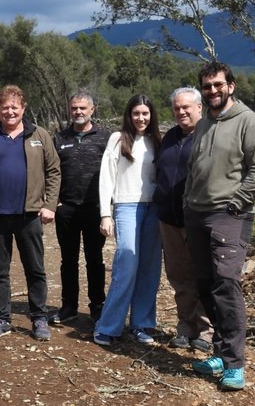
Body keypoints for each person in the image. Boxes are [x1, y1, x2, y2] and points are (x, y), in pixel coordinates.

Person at [184, 62, 255, 391]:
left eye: (218, 85)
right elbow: (194, 168)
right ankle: (220, 353)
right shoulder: (204, 122)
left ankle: (235, 364)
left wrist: (236, 205)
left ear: (231, 86)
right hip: (196, 213)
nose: (213, 91)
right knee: (206, 284)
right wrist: (187, 202)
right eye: (207, 86)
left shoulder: (248, 121)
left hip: (229, 215)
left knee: (226, 284)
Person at [0, 85, 61, 342]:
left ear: (23, 108)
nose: (10, 112)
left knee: (35, 268)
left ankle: (39, 318)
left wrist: (50, 204)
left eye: (14, 107)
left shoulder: (39, 135)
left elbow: (54, 170)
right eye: (5, 107)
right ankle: (2, 319)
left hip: (29, 214)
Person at [93, 94, 162, 347]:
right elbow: (107, 177)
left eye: (145, 113)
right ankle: (108, 326)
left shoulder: (158, 140)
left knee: (150, 269)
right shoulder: (117, 139)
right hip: (126, 207)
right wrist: (105, 213)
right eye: (136, 113)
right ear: (129, 115)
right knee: (127, 265)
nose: (141, 118)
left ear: (152, 115)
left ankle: (141, 324)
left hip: (154, 208)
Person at [153, 87, 213, 352]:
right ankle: (185, 327)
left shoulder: (209, 135)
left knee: (204, 275)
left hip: (198, 218)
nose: (181, 112)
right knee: (179, 276)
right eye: (177, 108)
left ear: (199, 107)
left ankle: (206, 331)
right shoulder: (170, 137)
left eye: (186, 107)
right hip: (169, 219)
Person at [50, 90, 112, 324]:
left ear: (92, 110)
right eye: (74, 108)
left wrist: (108, 206)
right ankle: (69, 306)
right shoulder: (59, 138)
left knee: (95, 260)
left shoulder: (105, 138)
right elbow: (51, 171)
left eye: (82, 108)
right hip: (66, 209)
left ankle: (97, 306)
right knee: (68, 260)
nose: (78, 112)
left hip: (95, 209)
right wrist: (55, 202)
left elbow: (113, 172)